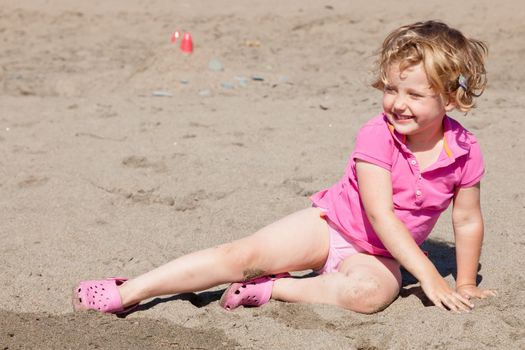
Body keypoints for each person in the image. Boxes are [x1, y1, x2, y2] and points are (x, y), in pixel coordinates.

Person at [73, 20, 497, 315]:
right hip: (330, 228)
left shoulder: (465, 149)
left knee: (369, 296)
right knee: (242, 256)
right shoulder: (377, 133)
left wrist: (463, 284)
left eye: (413, 94)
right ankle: (128, 290)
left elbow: (466, 221)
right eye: (390, 88)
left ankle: (272, 288)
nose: (396, 103)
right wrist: (427, 274)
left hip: (380, 256)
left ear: (451, 99)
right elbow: (378, 214)